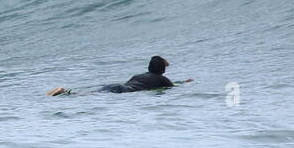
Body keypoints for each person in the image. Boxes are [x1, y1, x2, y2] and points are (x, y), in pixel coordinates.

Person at [47, 56, 193, 96]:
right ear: (162, 69)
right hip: (121, 91)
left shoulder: (139, 75)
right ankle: (64, 92)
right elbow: (173, 87)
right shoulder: (162, 79)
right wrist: (186, 82)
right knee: (89, 95)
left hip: (117, 86)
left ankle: (62, 92)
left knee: (90, 93)